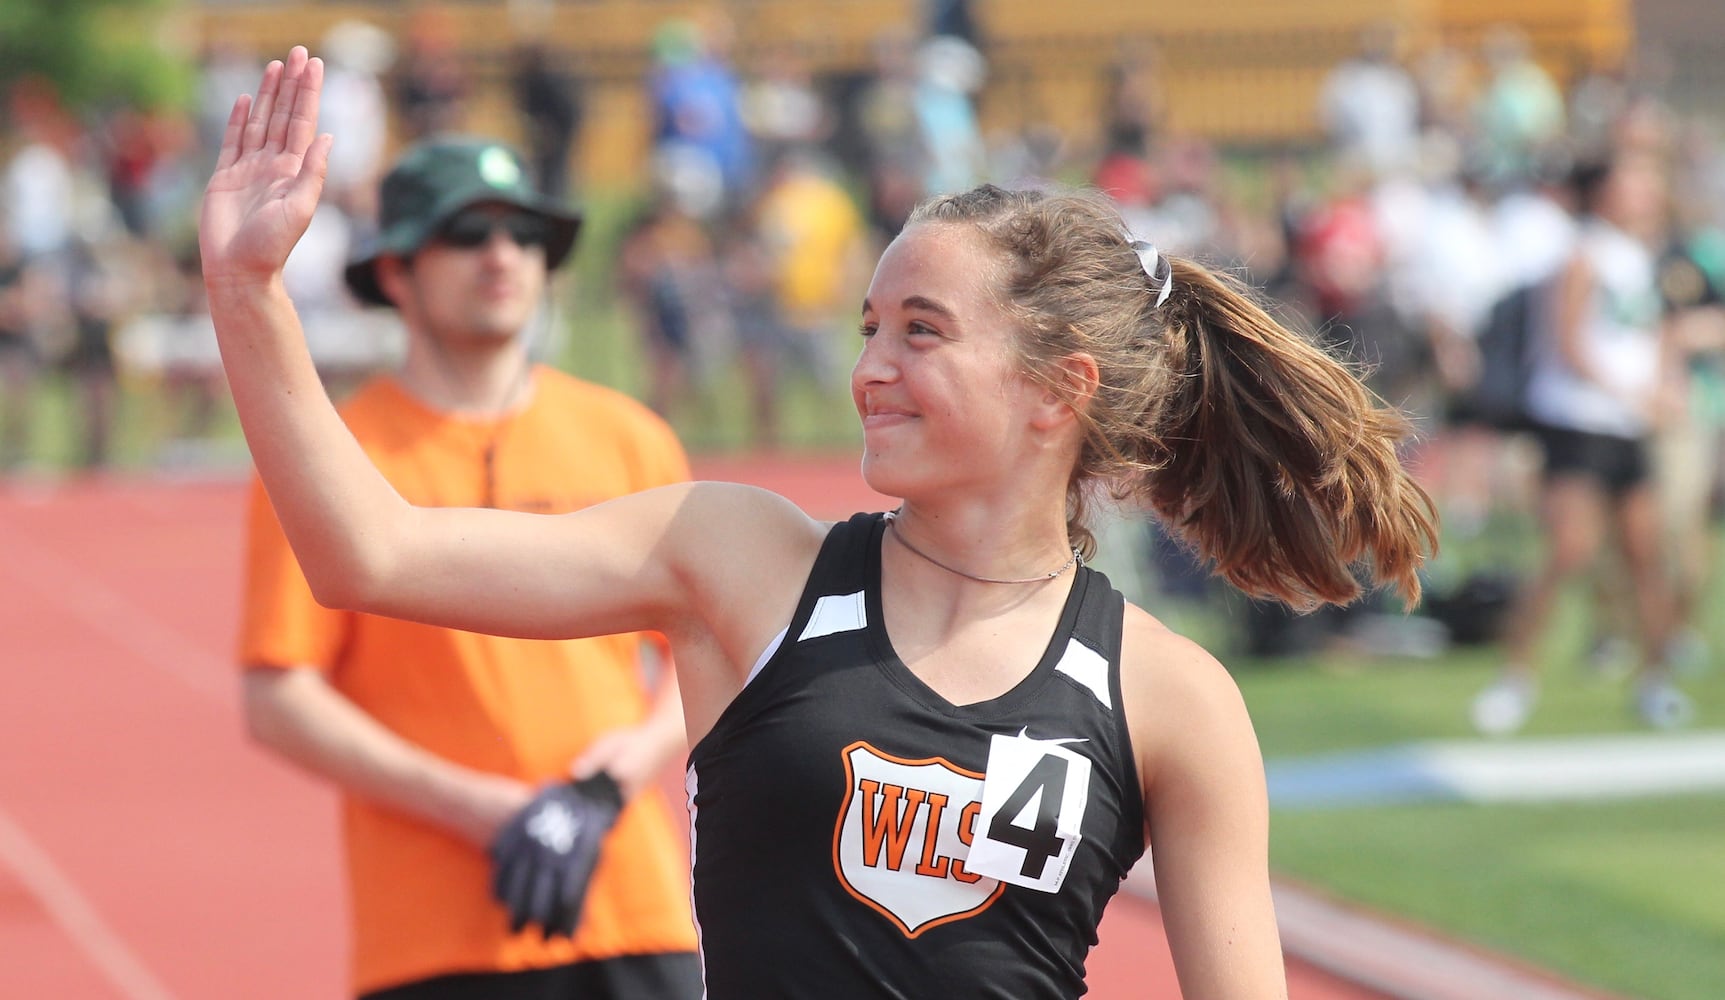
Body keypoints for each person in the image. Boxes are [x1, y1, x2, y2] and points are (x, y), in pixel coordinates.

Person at [203, 49, 1437, 999]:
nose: (871, 368)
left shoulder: (1171, 697)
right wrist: (248, 292)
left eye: (923, 331)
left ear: (1061, 390)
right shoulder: (741, 560)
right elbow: (369, 552)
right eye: (867, 326)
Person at [232, 128, 702, 999]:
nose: (503, 256)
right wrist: (482, 811)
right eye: (467, 233)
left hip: (632, 905)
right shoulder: (330, 458)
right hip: (432, 937)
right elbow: (278, 693)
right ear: (396, 271)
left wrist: (608, 783)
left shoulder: (628, 437)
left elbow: (700, 651)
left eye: (523, 235)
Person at [1472, 151, 1695, 736]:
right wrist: (1635, 395)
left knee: (1645, 558)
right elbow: (1569, 345)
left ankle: (1654, 680)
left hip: (1626, 429)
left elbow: (1652, 337)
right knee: (1566, 552)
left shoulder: (1643, 256)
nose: (1647, 191)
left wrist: (1666, 386)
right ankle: (1514, 678)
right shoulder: (1581, 255)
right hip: (1577, 423)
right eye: (1633, 181)